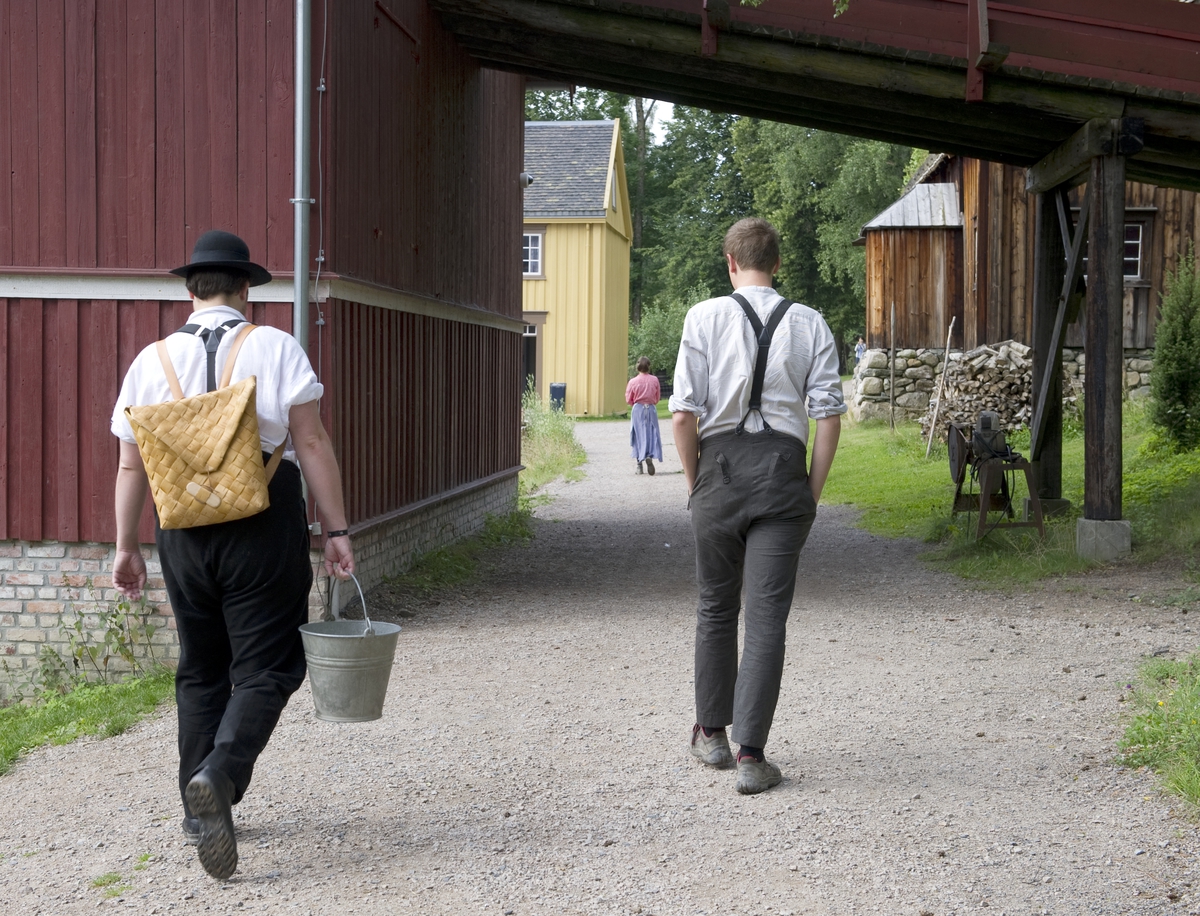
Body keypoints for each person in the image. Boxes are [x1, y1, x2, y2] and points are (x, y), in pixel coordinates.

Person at [111, 230, 355, 880]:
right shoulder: (273, 346)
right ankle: (219, 775)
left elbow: (130, 465)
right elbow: (312, 441)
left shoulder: (150, 360)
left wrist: (125, 546)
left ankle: (200, 809)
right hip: (261, 522)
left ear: (190, 291)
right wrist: (335, 531)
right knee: (269, 668)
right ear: (245, 290)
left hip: (182, 529)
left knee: (200, 670)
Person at [670, 217, 844, 795]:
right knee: (767, 617)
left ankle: (710, 736)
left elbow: (683, 414)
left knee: (716, 607)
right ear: (777, 261)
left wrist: (697, 484)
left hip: (716, 471)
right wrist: (809, 495)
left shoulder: (703, 316)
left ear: (729, 261)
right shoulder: (809, 322)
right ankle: (751, 757)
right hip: (783, 476)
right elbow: (827, 418)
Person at [626, 356, 664, 475]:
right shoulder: (655, 380)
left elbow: (628, 398)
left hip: (638, 409)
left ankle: (639, 464)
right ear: (649, 366)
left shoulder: (633, 381)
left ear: (638, 367)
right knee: (651, 433)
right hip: (651, 409)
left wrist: (635, 404)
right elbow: (657, 397)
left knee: (638, 434)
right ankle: (649, 456)